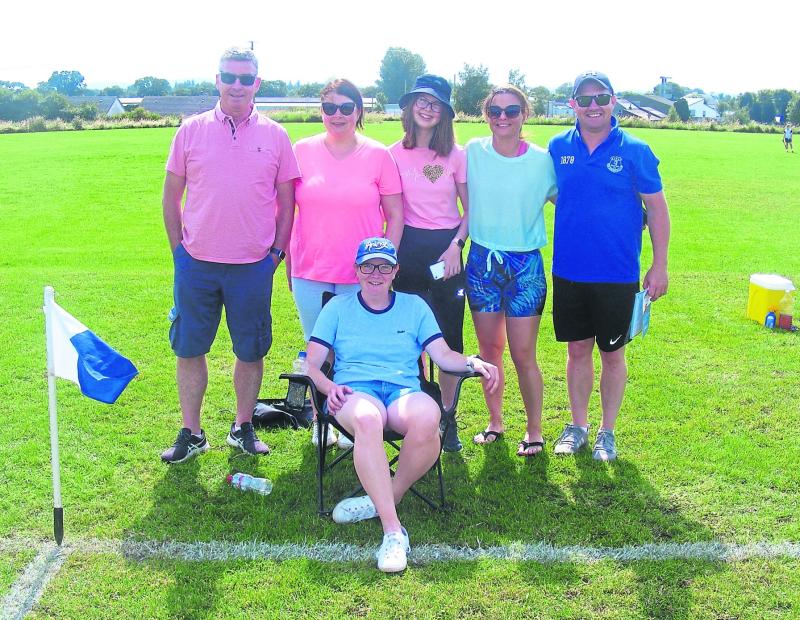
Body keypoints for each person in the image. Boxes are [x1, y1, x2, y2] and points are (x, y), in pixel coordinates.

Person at [304, 237, 498, 572]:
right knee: (366, 419)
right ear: (357, 270)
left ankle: (384, 497)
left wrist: (472, 362)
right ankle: (393, 531)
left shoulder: (414, 307)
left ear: (395, 270)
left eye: (383, 266)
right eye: (367, 266)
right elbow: (310, 364)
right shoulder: (337, 308)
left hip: (402, 389)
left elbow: (442, 355)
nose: (375, 273)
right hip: (355, 390)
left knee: (427, 417)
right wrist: (328, 386)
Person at [160, 47, 300, 463]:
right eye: (229, 77)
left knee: (250, 351)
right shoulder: (190, 129)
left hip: (253, 266)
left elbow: (287, 202)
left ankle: (243, 427)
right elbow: (171, 197)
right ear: (217, 80)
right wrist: (179, 253)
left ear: (257, 83)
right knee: (189, 348)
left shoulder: (275, 135)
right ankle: (192, 432)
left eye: (245, 78)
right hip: (196, 264)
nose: (237, 85)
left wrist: (275, 254)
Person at [548, 71, 671, 461]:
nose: (593, 106)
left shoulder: (635, 149)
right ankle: (578, 426)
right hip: (568, 270)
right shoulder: (556, 146)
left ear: (613, 101)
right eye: (584, 100)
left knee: (613, 354)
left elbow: (657, 209)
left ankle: (608, 431)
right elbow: (554, 195)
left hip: (618, 274)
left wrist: (660, 265)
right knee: (577, 351)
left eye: (601, 98)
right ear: (573, 105)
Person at [289, 79, 403, 449]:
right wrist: (289, 261)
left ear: (359, 111)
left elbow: (396, 216)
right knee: (319, 352)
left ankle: (351, 421)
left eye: (346, 107)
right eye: (329, 108)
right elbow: (286, 212)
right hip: (311, 270)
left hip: (361, 277)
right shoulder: (301, 150)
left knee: (353, 352)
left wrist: (383, 266)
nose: (337, 115)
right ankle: (322, 422)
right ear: (321, 111)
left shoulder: (378, 155)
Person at [464, 85, 557, 458]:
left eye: (512, 110)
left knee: (523, 353)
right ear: (486, 114)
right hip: (483, 264)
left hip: (526, 268)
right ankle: (495, 422)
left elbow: (573, 200)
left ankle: (534, 431)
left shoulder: (542, 160)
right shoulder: (472, 152)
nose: (503, 117)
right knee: (489, 351)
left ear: (524, 114)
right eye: (495, 110)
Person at [390, 74, 469, 452]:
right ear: (409, 107)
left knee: (449, 336)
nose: (427, 107)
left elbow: (470, 212)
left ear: (445, 113)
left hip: (445, 253)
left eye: (435, 103)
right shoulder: (391, 153)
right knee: (408, 336)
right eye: (421, 100)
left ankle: (448, 416)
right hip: (407, 250)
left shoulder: (456, 154)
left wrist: (456, 245)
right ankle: (421, 407)